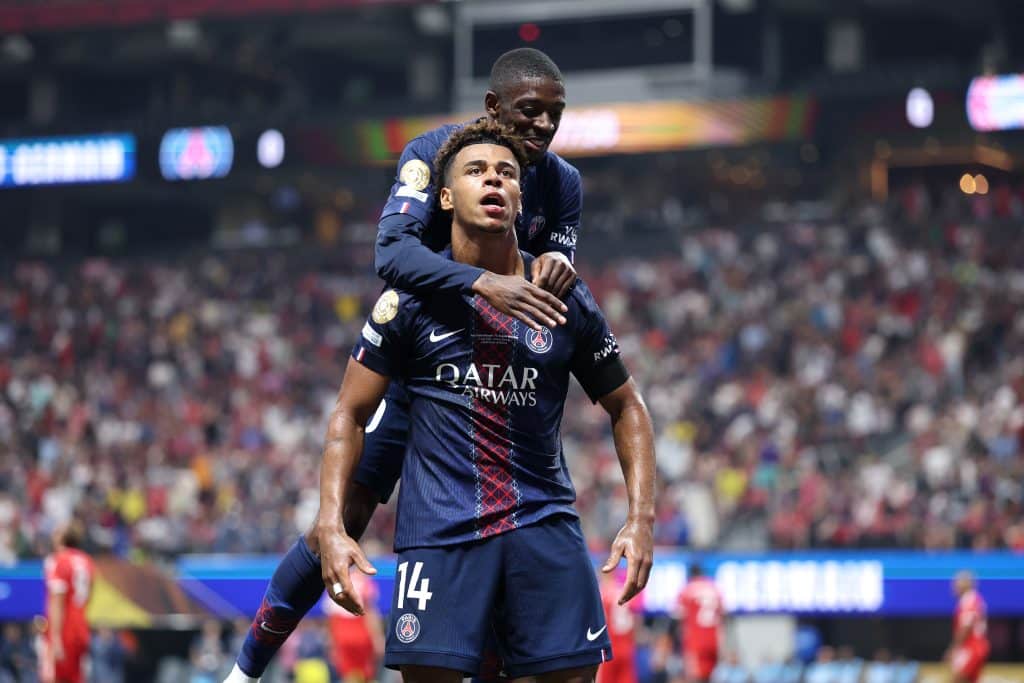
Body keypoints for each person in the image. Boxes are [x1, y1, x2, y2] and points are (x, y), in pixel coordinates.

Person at [226, 47, 583, 683]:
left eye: (555, 115)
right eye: (531, 113)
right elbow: (390, 253)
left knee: (510, 539)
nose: (544, 128)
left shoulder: (561, 185)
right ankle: (245, 670)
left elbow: (553, 282)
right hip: (423, 364)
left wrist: (553, 270)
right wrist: (482, 283)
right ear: (493, 109)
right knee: (345, 519)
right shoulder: (431, 155)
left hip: (499, 392)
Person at [316, 120, 655, 682]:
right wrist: (331, 524)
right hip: (440, 536)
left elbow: (628, 406)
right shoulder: (410, 301)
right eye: (476, 171)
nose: (493, 180)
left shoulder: (563, 297)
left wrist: (640, 519)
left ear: (523, 198)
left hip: (543, 529)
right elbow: (348, 414)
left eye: (506, 173)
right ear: (445, 197)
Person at [41, 521, 94, 683]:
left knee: (53, 677)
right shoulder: (86, 561)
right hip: (82, 628)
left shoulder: (60, 560)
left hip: (65, 630)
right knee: (76, 677)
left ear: (63, 537)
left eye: (57, 532)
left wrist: (55, 638)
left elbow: (57, 603)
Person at [325, 571, 383, 682]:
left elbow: (331, 616)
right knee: (367, 674)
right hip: (361, 631)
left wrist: (331, 643)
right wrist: (378, 638)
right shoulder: (363, 581)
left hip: (341, 632)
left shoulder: (335, 583)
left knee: (348, 675)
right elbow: (370, 612)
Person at [677, 564, 725, 683]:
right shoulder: (714, 588)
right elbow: (723, 615)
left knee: (694, 677)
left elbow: (679, 616)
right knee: (709, 677)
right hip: (713, 640)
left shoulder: (687, 589)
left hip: (696, 640)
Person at [598, 571, 640, 683]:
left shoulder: (601, 594)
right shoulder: (625, 592)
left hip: (608, 649)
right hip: (627, 648)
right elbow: (636, 619)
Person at [949, 571, 989, 683]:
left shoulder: (969, 600)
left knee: (957, 678)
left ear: (965, 584)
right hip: (977, 646)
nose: (953, 587)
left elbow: (966, 627)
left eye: (956, 583)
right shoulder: (975, 599)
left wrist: (954, 648)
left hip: (971, 647)